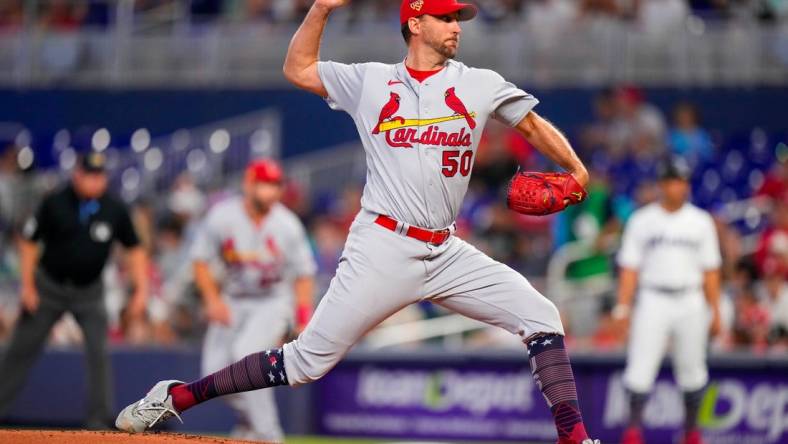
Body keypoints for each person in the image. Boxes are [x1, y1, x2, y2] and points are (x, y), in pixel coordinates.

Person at [116, 0, 599, 442]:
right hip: (383, 246)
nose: (456, 27)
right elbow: (298, 68)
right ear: (415, 22)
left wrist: (576, 169)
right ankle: (175, 397)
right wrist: (322, 8)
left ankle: (575, 439)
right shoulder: (370, 80)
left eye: (458, 19)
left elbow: (531, 123)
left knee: (542, 316)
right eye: (447, 17)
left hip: (447, 250)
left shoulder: (479, 82)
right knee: (305, 363)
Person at [0, 152, 148, 428]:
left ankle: (98, 421)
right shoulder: (55, 202)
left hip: (89, 292)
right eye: (90, 175)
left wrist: (141, 290)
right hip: (49, 288)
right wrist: (28, 286)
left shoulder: (114, 208)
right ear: (77, 175)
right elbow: (30, 243)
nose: (95, 181)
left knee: (99, 352)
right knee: (20, 350)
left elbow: (135, 249)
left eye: (100, 176)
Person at [191, 159, 316, 441]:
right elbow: (199, 261)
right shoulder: (222, 217)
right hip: (232, 299)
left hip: (272, 301)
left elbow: (304, 274)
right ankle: (249, 424)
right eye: (265, 184)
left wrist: (303, 316)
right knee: (212, 374)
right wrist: (211, 300)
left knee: (246, 356)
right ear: (249, 183)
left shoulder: (287, 224)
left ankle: (269, 434)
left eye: (275, 185)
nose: (271, 192)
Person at [613, 157, 722, 444]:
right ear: (662, 184)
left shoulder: (700, 221)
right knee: (640, 368)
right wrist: (623, 307)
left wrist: (716, 311)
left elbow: (710, 270)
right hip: (653, 297)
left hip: (690, 298)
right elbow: (630, 268)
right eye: (673, 180)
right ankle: (633, 432)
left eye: (682, 180)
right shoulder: (642, 220)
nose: (678, 186)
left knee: (693, 369)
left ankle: (691, 433)